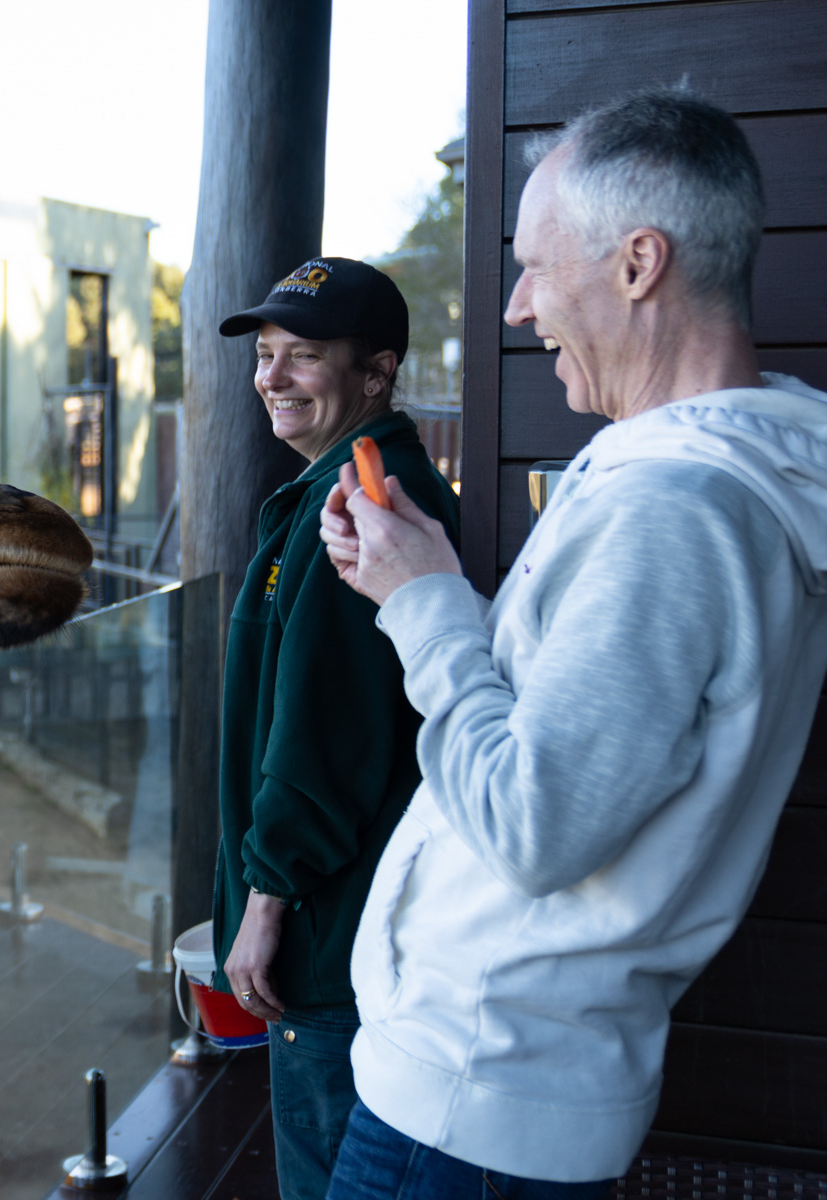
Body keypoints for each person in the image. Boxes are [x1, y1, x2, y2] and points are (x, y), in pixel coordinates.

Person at [316, 89, 827, 1197]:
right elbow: (583, 738)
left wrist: (424, 608)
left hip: (466, 1109)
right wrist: (423, 581)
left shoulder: (673, 511)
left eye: (537, 265)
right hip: (500, 1091)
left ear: (639, 264)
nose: (515, 306)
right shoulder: (713, 485)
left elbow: (534, 824)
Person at [210, 256, 459, 1200]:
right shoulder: (340, 487)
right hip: (332, 928)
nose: (271, 376)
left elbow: (326, 733)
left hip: (325, 940)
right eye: (266, 354)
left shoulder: (366, 503)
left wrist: (266, 902)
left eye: (302, 356)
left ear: (376, 373)